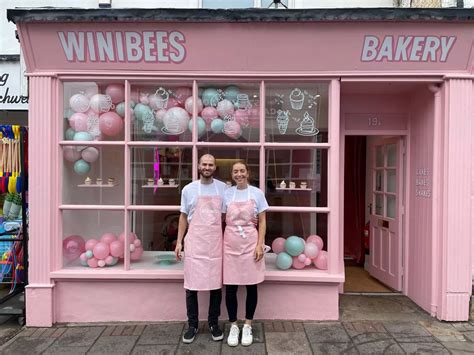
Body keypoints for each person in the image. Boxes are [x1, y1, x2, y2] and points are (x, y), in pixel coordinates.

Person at [175, 154, 227, 344]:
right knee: (191, 286)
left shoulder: (223, 188)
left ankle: (213, 323)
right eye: (204, 164)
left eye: (210, 164)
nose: (207, 167)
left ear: (215, 167)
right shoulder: (188, 189)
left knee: (215, 286)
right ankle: (192, 325)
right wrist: (179, 242)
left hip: (214, 243)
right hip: (195, 242)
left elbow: (227, 215)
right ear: (198, 166)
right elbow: (183, 216)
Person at [223, 160, 269, 347]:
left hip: (251, 243)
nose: (239, 174)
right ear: (232, 175)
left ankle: (248, 324)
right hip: (230, 244)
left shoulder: (257, 193)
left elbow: (264, 221)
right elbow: (219, 220)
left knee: (252, 285)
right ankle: (234, 325)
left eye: (242, 170)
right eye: (235, 171)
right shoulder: (226, 194)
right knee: (231, 287)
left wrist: (260, 244)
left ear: (248, 173)